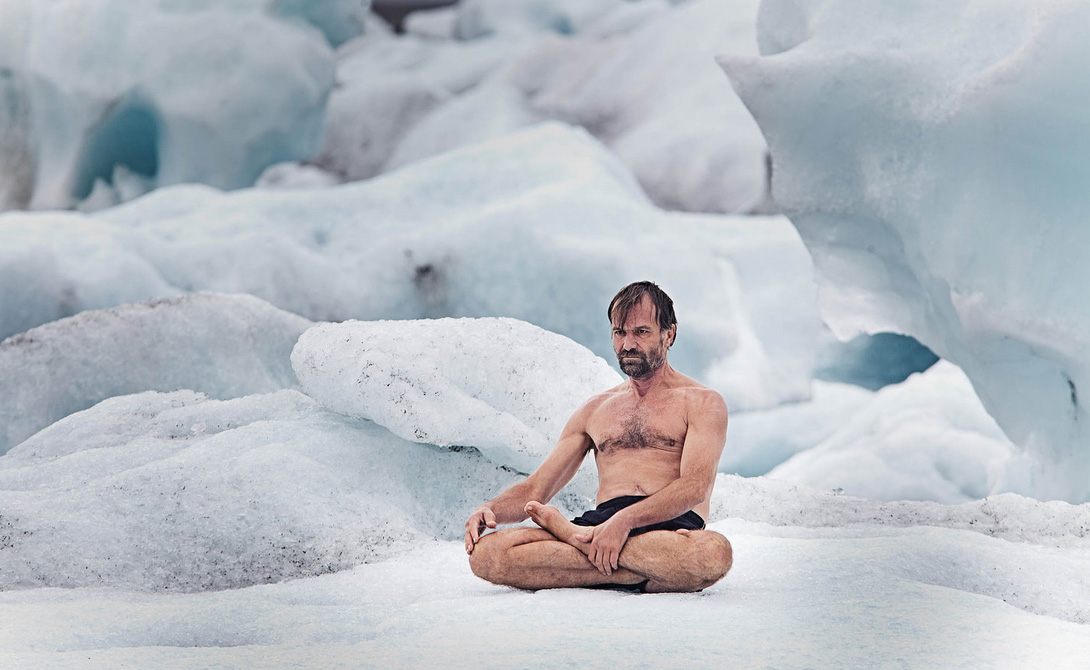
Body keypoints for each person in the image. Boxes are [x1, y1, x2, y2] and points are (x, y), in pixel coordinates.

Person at [465, 281, 732, 593]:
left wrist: (624, 523)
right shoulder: (594, 410)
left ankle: (575, 543)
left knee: (712, 554)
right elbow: (535, 488)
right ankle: (639, 572)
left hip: (671, 528)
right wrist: (490, 509)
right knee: (487, 555)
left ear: (668, 334)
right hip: (600, 526)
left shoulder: (702, 402)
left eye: (641, 332)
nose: (628, 344)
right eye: (620, 333)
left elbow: (694, 488)